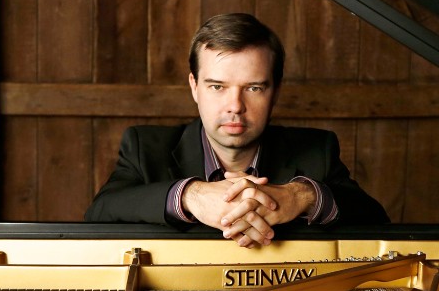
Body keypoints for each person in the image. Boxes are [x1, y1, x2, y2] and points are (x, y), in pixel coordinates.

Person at [84, 13, 388, 247]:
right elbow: (97, 216)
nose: (235, 106)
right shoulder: (144, 147)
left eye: (254, 88)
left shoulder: (316, 150)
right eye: (217, 86)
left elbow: (378, 224)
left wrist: (303, 195)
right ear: (194, 86)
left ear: (276, 90)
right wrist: (190, 195)